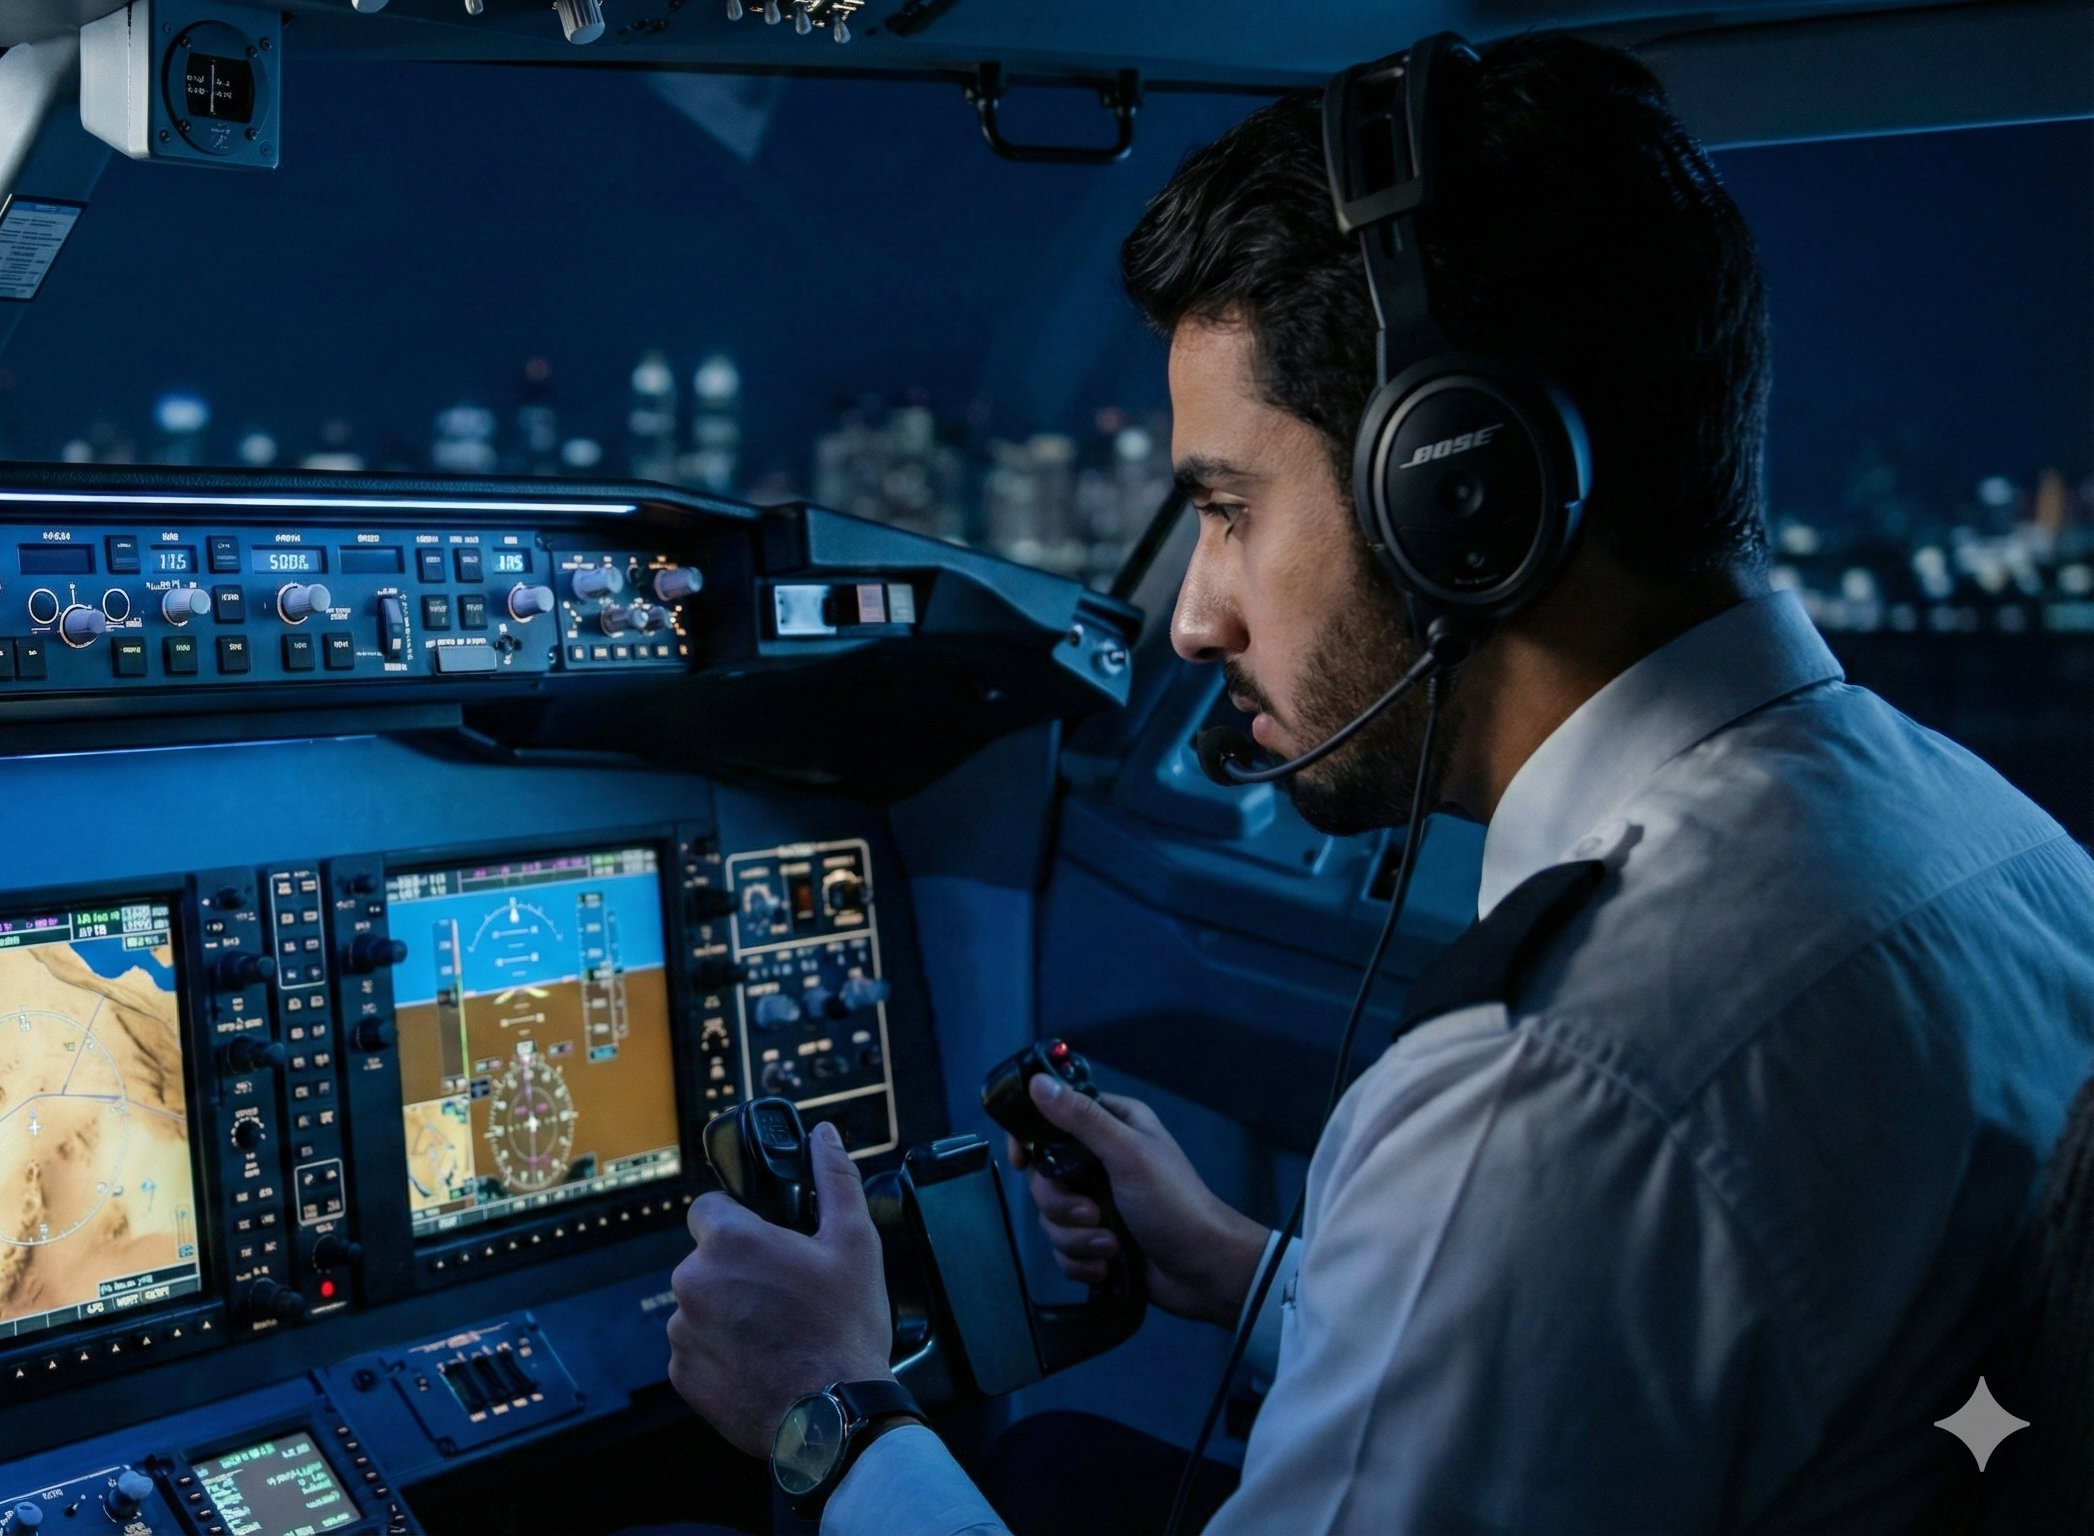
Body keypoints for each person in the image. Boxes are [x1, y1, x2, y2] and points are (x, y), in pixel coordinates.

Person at [663, 32, 2094, 1534]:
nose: (1197, 615)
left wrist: (829, 1407)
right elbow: (1670, 1386)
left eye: (1227, 510)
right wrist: (1243, 1266)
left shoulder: (1554, 1085)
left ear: (1457, 497)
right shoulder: (2000, 846)